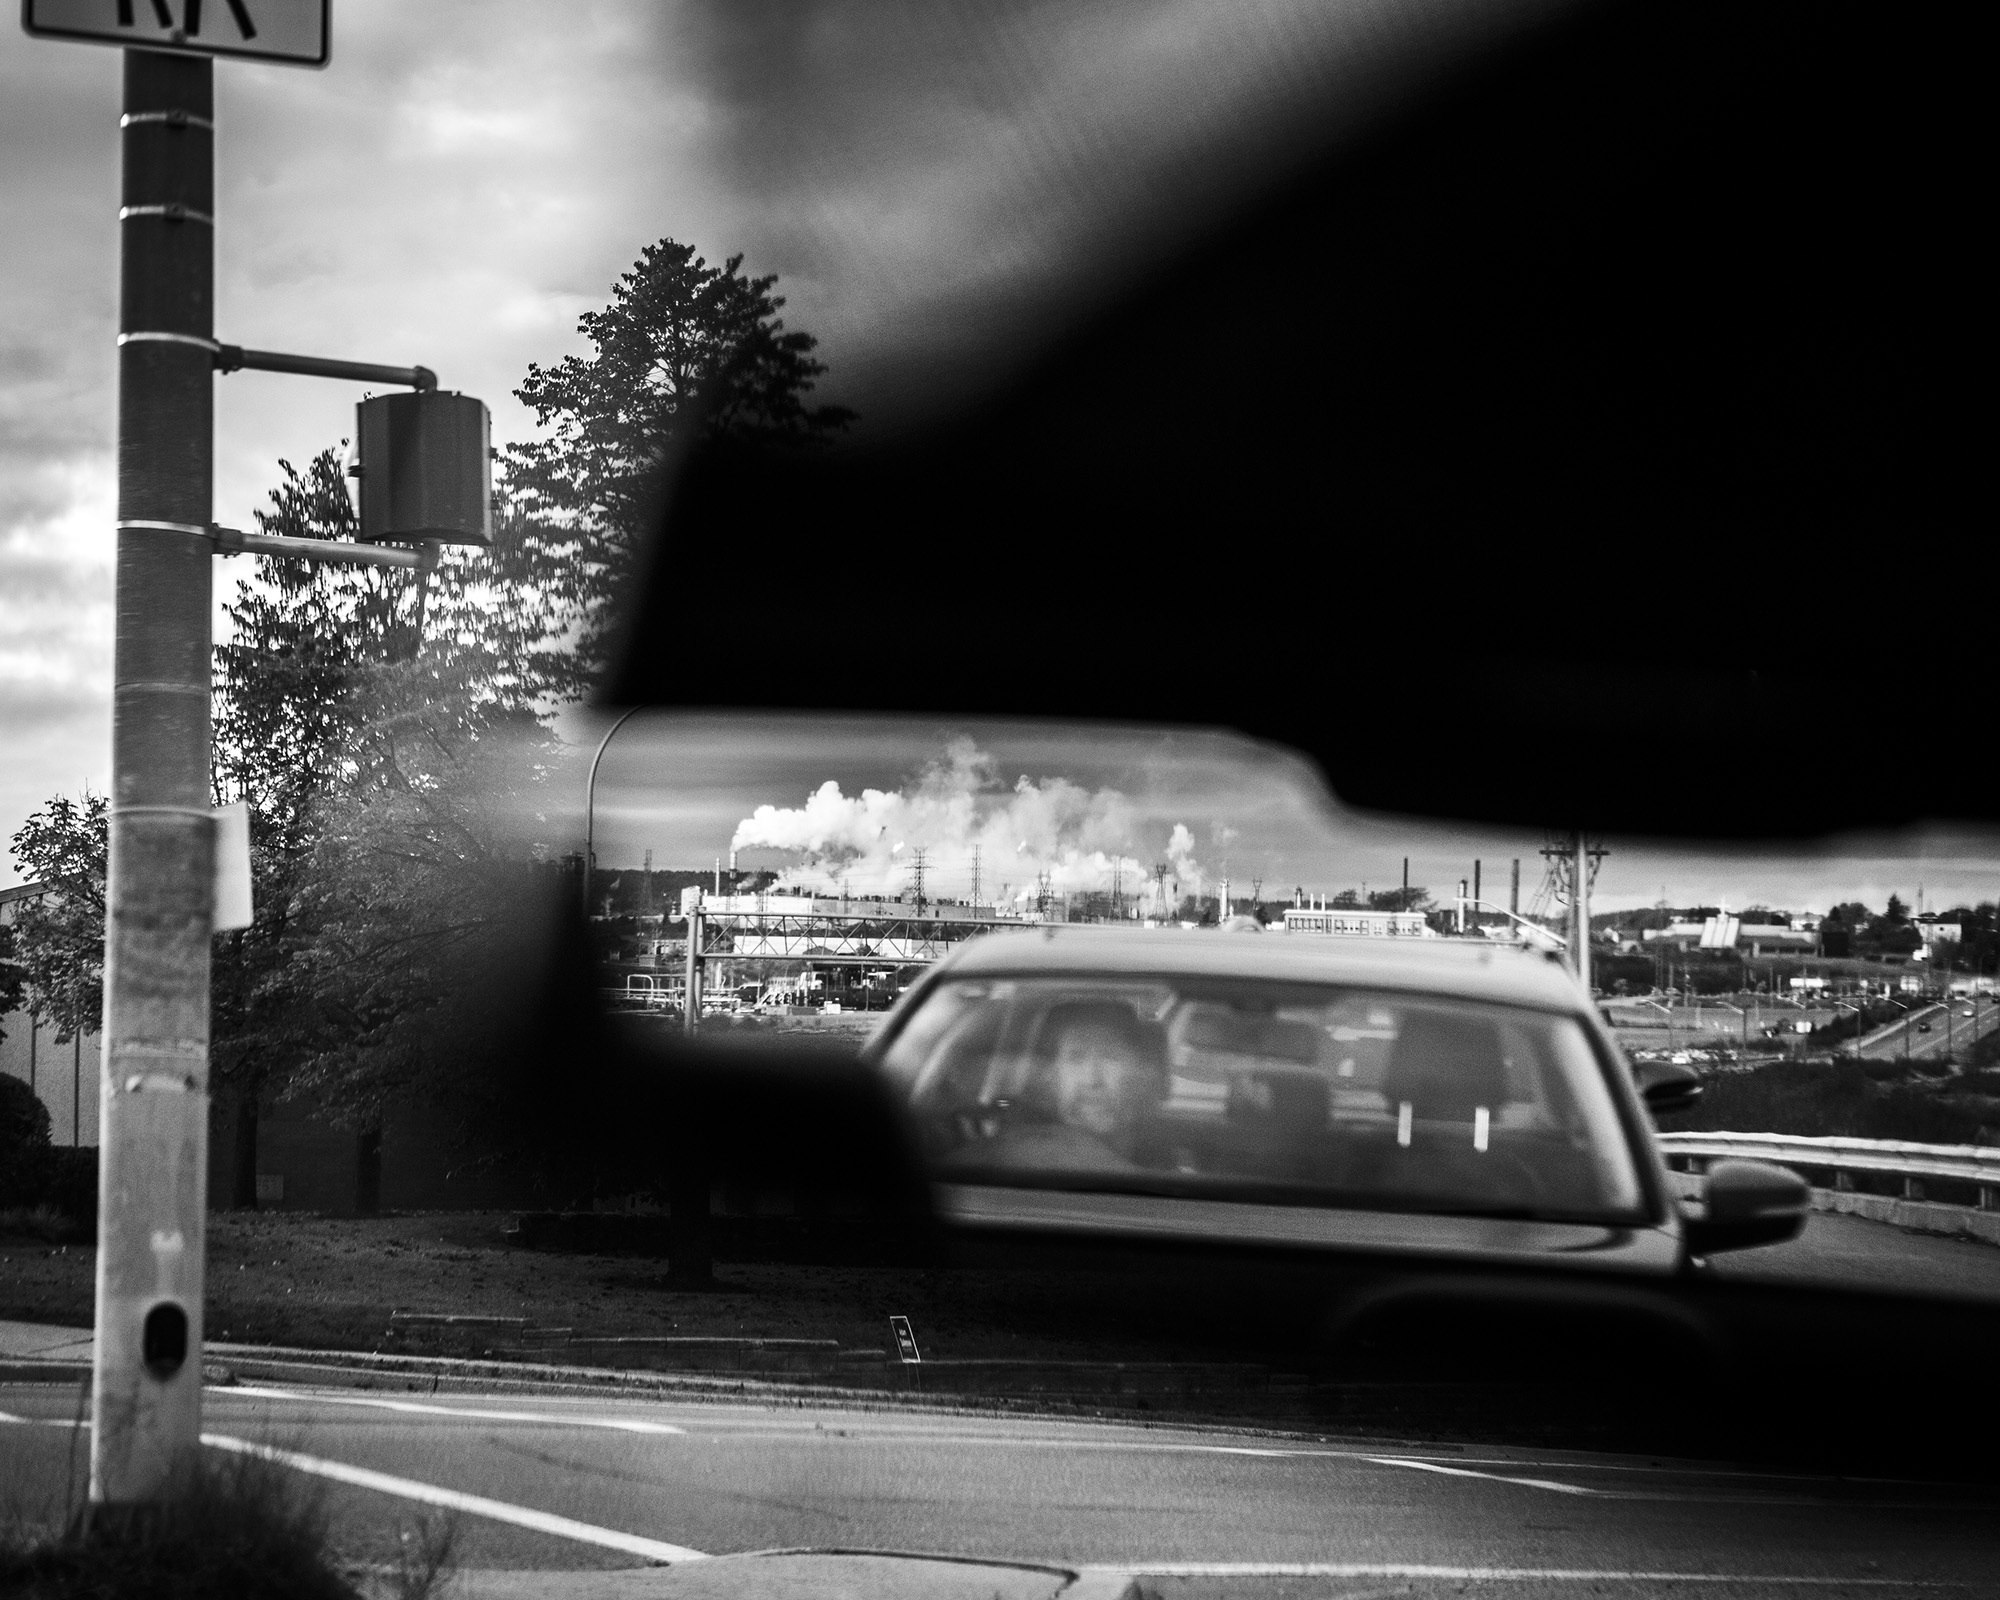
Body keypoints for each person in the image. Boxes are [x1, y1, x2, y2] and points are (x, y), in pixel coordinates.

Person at [941, 1000, 1167, 1175]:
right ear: (1052, 1076)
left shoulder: (1164, 1153)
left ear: (1138, 1072)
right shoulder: (1007, 1157)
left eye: (1110, 1056)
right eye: (1076, 1058)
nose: (1092, 1079)